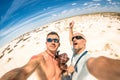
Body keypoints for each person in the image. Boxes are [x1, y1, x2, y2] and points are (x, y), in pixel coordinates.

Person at [0, 31, 68, 80]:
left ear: (59, 44)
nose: (53, 42)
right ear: (46, 43)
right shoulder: (40, 58)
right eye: (49, 40)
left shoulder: (58, 58)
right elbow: (24, 71)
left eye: (56, 40)